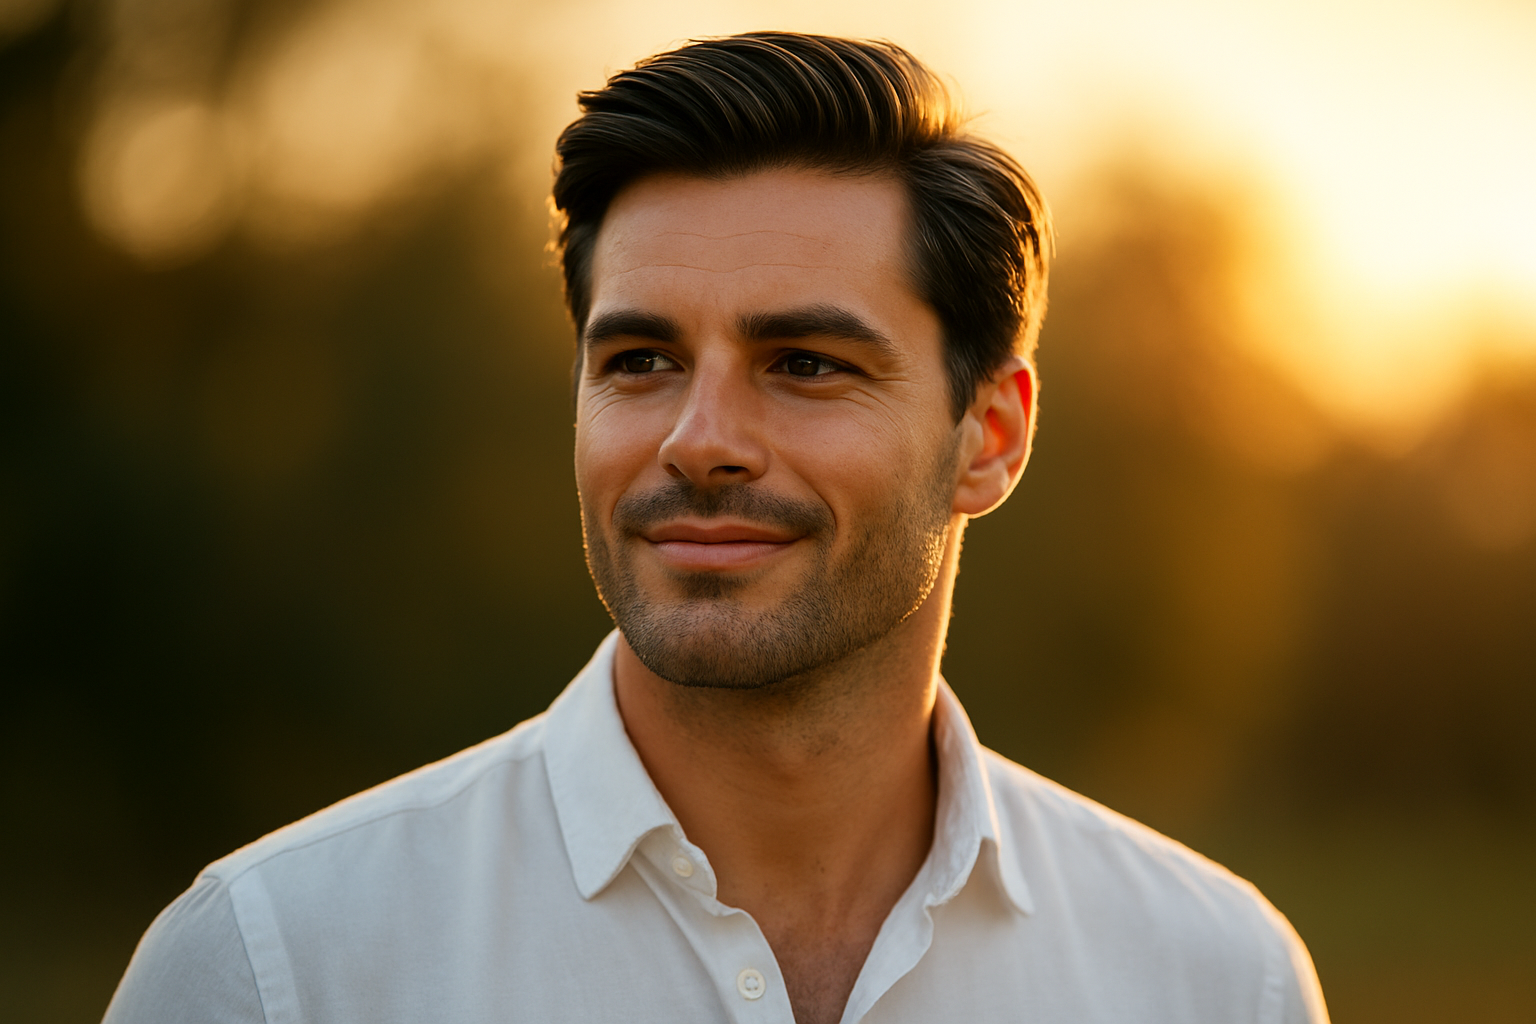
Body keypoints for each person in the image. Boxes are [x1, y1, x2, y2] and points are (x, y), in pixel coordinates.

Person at [104, 31, 1329, 1024]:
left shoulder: (1218, 980)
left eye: (803, 362)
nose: (698, 438)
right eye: (640, 359)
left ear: (990, 435)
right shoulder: (275, 970)